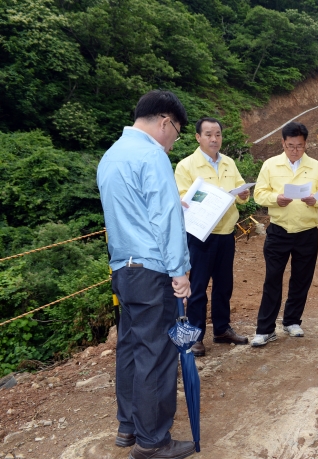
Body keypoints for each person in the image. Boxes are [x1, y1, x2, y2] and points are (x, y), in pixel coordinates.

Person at [97, 90, 196, 458]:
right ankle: (153, 441)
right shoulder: (152, 155)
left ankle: (128, 427)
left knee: (130, 347)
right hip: (152, 271)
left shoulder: (110, 155)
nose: (174, 141)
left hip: (123, 268)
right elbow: (166, 218)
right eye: (177, 131)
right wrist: (180, 271)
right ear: (164, 121)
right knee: (156, 352)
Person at [174, 117, 250, 357]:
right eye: (208, 134)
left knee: (224, 284)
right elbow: (183, 198)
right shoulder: (186, 166)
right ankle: (196, 335)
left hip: (226, 232)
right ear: (198, 137)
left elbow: (240, 192)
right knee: (197, 286)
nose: (214, 139)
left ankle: (222, 329)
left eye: (217, 134)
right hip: (200, 235)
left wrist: (244, 194)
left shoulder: (228, 163)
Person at [251, 122, 318, 347]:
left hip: (306, 232)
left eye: (300, 146)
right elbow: (259, 194)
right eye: (290, 146)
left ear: (306, 144)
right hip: (279, 231)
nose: (295, 151)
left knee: (301, 279)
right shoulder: (270, 165)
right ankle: (265, 329)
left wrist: (317, 200)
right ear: (283, 143)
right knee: (273, 279)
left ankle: (292, 320)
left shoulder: (316, 167)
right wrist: (276, 199)